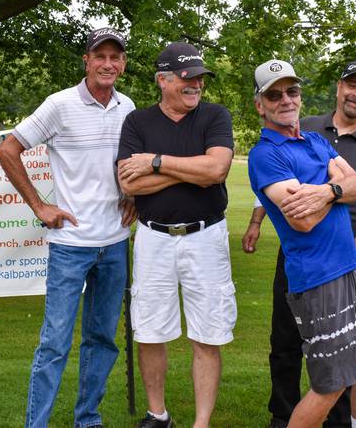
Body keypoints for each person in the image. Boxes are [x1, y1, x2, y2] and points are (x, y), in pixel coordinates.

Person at [242, 58, 356, 428]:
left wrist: (324, 191)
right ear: (260, 104)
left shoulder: (315, 140)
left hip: (347, 267)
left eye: (292, 91)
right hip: (317, 279)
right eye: (274, 94)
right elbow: (303, 220)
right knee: (331, 384)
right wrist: (335, 187)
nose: (285, 100)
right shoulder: (266, 155)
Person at [0, 27, 137, 428]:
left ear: (123, 64)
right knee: (55, 343)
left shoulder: (128, 107)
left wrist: (134, 196)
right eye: (100, 56)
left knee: (102, 341)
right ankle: (35, 423)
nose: (108, 64)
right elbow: (8, 150)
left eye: (116, 57)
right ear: (87, 61)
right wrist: (39, 205)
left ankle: (87, 419)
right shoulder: (59, 105)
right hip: (70, 246)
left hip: (114, 244)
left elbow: (129, 167)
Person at [116, 41, 235, 428]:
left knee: (207, 332)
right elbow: (128, 184)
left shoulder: (215, 116)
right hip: (154, 237)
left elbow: (216, 171)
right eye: (187, 77)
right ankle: (158, 414)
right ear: (162, 80)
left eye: (199, 78)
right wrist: (190, 171)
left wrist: (156, 162)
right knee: (150, 329)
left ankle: (201, 423)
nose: (195, 84)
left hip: (206, 237)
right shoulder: (138, 122)